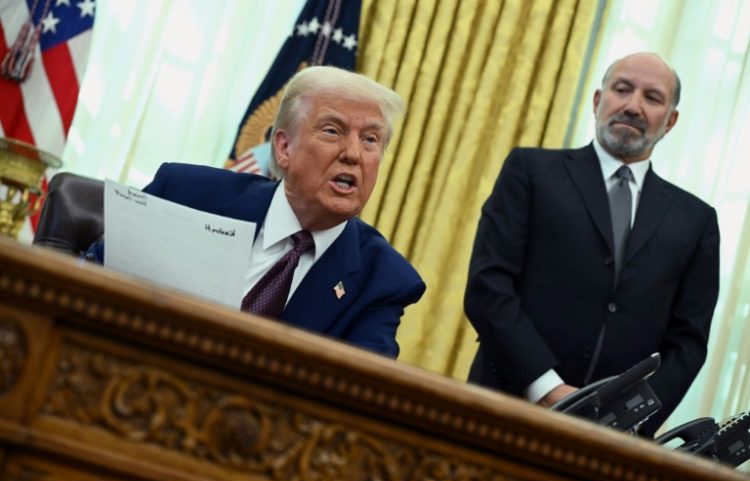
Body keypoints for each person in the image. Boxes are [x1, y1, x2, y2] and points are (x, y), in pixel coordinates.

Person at [88, 66, 426, 358]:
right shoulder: (185, 193)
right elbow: (87, 285)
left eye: (370, 140)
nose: (353, 153)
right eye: (332, 131)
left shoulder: (382, 280)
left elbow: (357, 397)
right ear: (283, 148)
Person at [464, 52, 719, 436]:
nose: (633, 106)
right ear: (598, 101)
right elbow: (489, 286)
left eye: (652, 98)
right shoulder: (530, 172)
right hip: (504, 410)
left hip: (613, 442)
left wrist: (629, 416)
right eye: (622, 89)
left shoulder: (696, 220)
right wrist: (549, 390)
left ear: (671, 121)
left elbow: (688, 344)